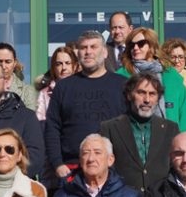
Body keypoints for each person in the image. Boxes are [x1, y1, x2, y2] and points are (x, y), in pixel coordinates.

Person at [44, 30, 129, 180]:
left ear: (104, 52)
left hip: (113, 170)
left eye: (93, 47)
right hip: (72, 170)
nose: (88, 52)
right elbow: (52, 128)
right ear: (78, 53)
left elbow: (130, 128)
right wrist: (57, 163)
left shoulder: (122, 85)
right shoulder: (63, 87)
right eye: (83, 48)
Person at [101, 73, 180, 195]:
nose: (147, 100)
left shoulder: (171, 129)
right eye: (141, 93)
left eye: (152, 94)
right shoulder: (110, 128)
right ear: (129, 95)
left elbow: (175, 168)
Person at [117, 27, 186, 137]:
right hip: (134, 140)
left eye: (141, 44)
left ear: (152, 46)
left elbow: (185, 116)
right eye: (131, 45)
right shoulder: (121, 76)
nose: (135, 48)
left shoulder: (171, 76)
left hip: (168, 139)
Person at [35, 45, 79, 122]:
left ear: (75, 66)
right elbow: (40, 122)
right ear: (53, 68)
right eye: (59, 64)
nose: (64, 68)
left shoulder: (83, 89)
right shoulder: (44, 93)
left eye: (68, 63)